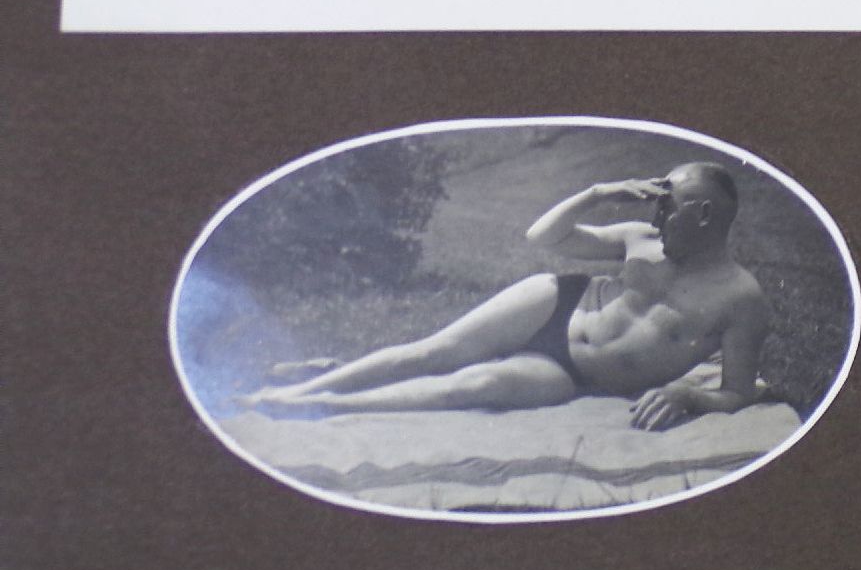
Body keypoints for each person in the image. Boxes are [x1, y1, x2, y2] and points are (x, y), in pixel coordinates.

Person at [241, 163, 771, 430]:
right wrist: (598, 195)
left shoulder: (741, 299)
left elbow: (738, 393)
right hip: (555, 303)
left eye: (666, 206)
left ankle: (321, 406)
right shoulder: (640, 237)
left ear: (702, 216)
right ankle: (297, 392)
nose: (655, 216)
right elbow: (543, 238)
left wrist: (689, 396)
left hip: (575, 375)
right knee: (430, 352)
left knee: (471, 385)